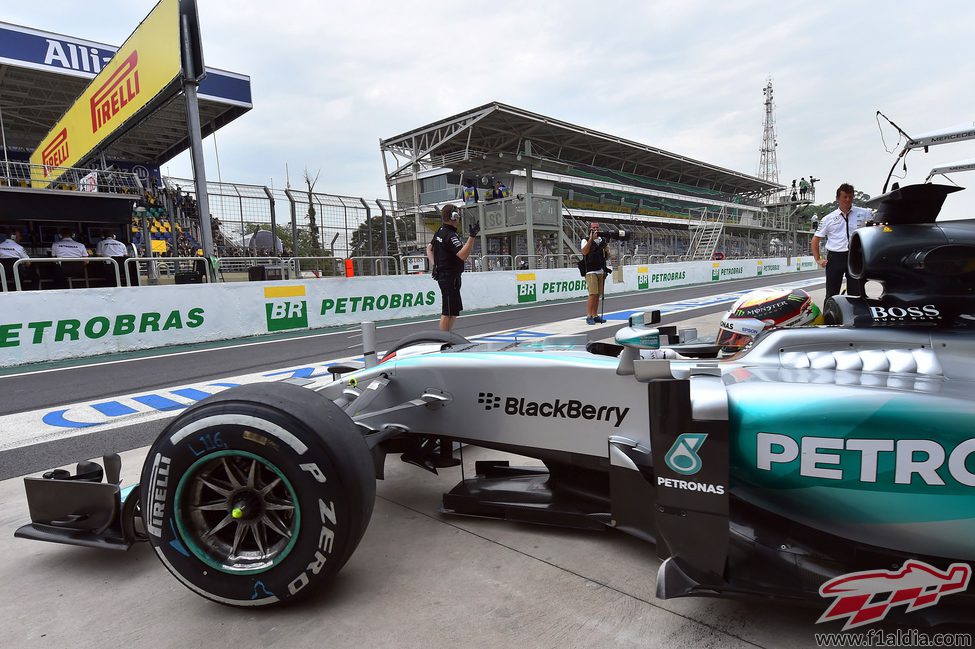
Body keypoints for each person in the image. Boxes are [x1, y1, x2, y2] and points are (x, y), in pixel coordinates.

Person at [811, 183, 871, 302]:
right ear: (838, 198)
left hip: (855, 256)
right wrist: (818, 259)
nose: (848, 200)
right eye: (845, 197)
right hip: (835, 257)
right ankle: (829, 319)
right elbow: (815, 239)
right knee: (832, 294)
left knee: (856, 294)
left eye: (850, 196)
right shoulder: (828, 218)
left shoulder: (865, 213)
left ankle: (856, 319)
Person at [427, 203, 479, 331]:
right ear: (453, 217)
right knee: (448, 311)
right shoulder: (450, 235)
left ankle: (447, 337)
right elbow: (463, 255)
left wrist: (435, 265)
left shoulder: (440, 231)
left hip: (450, 276)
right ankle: (443, 340)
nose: (459, 219)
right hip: (449, 277)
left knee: (453, 311)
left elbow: (429, 249)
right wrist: (472, 237)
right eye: (458, 216)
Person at [580, 222, 610, 324]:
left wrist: (606, 249)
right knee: (592, 294)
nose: (595, 229)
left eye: (597, 227)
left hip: (601, 269)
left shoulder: (602, 240)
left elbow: (607, 255)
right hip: (590, 270)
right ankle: (589, 315)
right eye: (593, 227)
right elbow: (584, 251)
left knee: (598, 294)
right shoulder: (585, 239)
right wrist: (591, 239)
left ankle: (595, 314)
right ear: (590, 229)